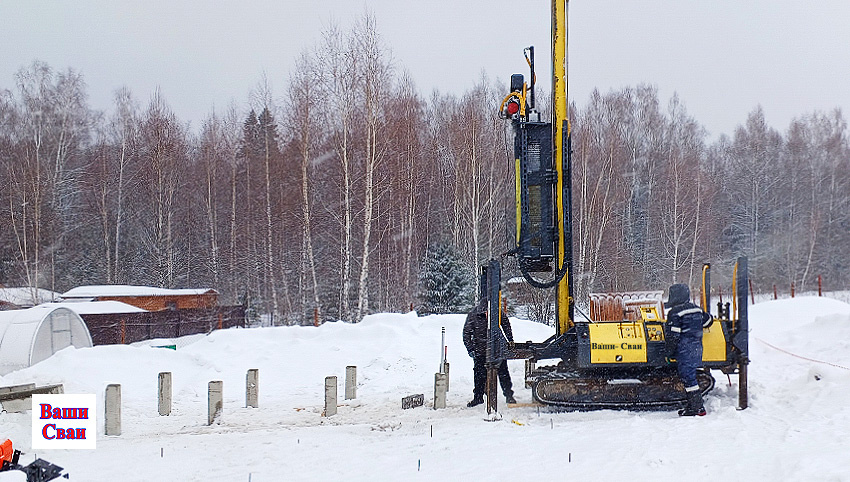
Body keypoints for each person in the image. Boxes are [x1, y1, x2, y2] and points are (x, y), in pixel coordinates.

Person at [665, 283, 713, 416]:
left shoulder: (675, 313)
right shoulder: (696, 309)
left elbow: (673, 336)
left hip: (684, 349)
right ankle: (692, 405)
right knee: (690, 375)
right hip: (696, 348)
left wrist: (668, 353)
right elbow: (708, 320)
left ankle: (698, 408)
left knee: (688, 377)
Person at [463, 298, 516, 407]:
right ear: (482, 311)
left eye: (489, 313)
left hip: (497, 349)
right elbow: (466, 334)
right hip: (480, 350)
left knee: (503, 373)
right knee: (479, 375)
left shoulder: (497, 312)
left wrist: (510, 339)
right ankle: (478, 397)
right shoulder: (473, 315)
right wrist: (471, 349)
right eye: (485, 313)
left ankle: (509, 395)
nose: (487, 315)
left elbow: (506, 324)